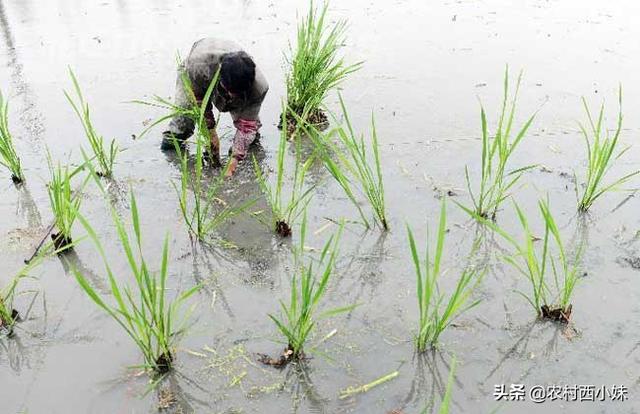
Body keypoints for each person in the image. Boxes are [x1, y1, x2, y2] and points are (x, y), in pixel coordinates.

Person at [162, 38, 269, 176]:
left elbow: (246, 127)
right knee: (181, 126)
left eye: (235, 94)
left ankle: (245, 152)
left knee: (250, 135)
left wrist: (232, 164)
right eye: (229, 92)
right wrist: (211, 133)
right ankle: (169, 156)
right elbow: (199, 101)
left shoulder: (259, 87)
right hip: (194, 76)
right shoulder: (199, 66)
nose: (231, 97)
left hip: (237, 84)